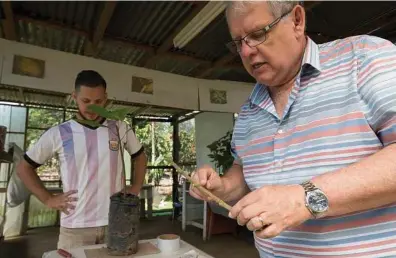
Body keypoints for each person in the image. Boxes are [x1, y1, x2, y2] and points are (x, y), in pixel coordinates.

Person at [190, 1, 396, 257]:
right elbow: (245, 173)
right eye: (238, 42)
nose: (246, 51)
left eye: (257, 34)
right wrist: (223, 186)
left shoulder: (363, 58)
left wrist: (304, 198)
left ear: (297, 20)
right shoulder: (248, 112)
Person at [16, 70, 147, 249]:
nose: (92, 107)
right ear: (74, 97)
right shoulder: (59, 133)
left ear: (106, 98)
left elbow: (140, 157)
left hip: (116, 222)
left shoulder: (119, 127)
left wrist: (136, 187)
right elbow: (24, 168)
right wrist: (47, 199)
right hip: (75, 227)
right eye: (86, 101)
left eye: (98, 101)